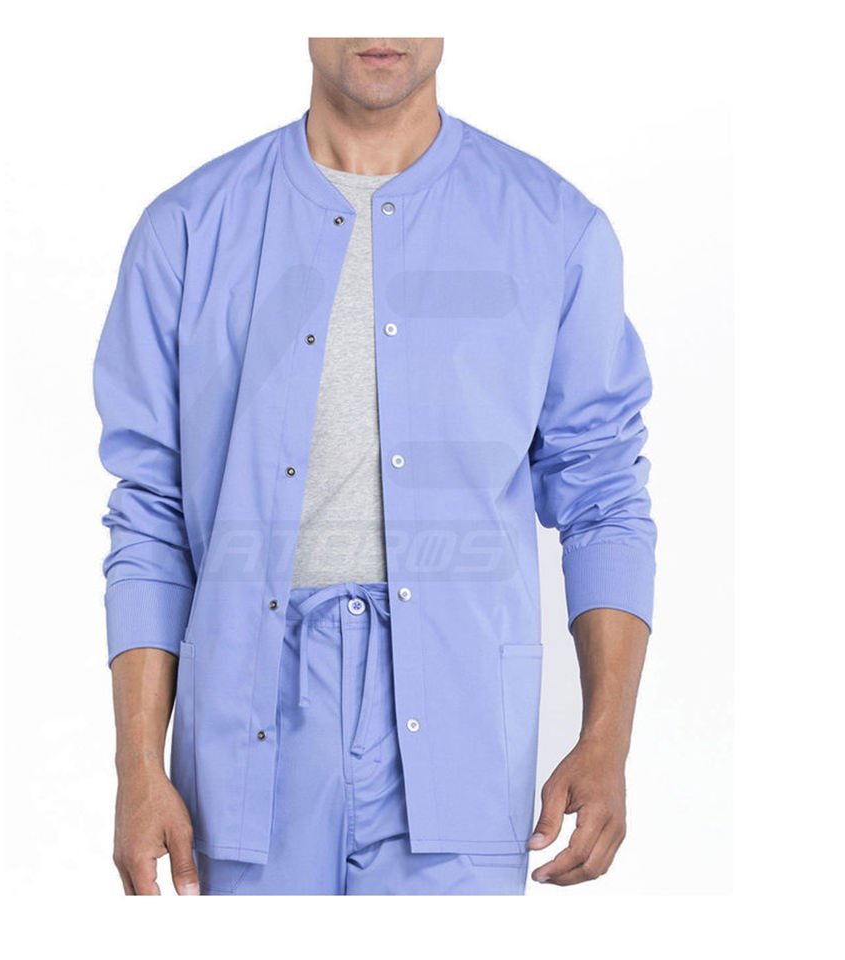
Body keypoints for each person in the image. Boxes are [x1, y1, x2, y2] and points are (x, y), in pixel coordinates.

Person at [94, 37, 656, 896]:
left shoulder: (553, 228)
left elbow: (605, 496)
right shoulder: (189, 228)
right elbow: (149, 512)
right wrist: (138, 765)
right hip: (244, 744)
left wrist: (607, 738)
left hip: (464, 728)